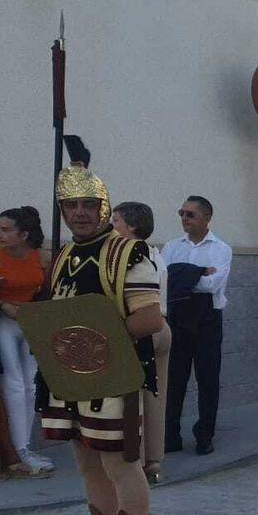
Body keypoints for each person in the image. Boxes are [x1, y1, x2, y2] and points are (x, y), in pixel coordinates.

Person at [42, 136, 161, 515]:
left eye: (87, 203)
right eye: (70, 204)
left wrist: (91, 343)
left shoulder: (129, 253)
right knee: (87, 462)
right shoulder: (66, 255)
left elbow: (149, 318)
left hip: (115, 375)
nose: (79, 212)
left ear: (102, 203)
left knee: (120, 467)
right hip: (72, 375)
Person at [162, 195, 230, 458]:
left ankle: (205, 435)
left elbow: (212, 285)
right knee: (174, 379)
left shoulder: (221, 248)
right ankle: (170, 435)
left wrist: (181, 274)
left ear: (206, 217)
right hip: (178, 316)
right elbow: (164, 280)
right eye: (182, 213)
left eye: (190, 214)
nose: (184, 219)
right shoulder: (171, 246)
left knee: (208, 379)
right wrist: (198, 272)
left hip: (207, 319)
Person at [110, 202, 171, 483]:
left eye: (116, 220)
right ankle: (155, 462)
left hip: (142, 327)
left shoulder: (129, 255)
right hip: (162, 325)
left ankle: (138, 462)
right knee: (156, 396)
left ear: (131, 227)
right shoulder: (156, 254)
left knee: (135, 399)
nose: (112, 225)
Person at [0, 206, 50, 477]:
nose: (0, 235)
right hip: (5, 324)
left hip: (30, 322)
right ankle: (16, 450)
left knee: (30, 385)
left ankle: (26, 446)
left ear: (24, 234)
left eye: (6, 230)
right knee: (14, 383)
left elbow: (48, 291)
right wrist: (4, 303)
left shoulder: (40, 258)